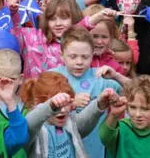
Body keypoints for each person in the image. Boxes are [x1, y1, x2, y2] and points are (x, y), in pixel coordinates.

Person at [50, 26, 125, 158]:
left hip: (94, 151)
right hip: (60, 152)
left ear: (93, 54)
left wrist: (116, 76)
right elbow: (38, 109)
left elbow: (136, 91)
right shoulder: (52, 77)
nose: (79, 62)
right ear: (61, 55)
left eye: (85, 57)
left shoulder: (100, 77)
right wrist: (71, 102)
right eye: (73, 56)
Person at [21, 71, 117, 157]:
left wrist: (100, 102)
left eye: (65, 103)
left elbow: (85, 121)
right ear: (38, 103)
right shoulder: (34, 130)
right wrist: (51, 106)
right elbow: (31, 121)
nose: (62, 110)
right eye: (58, 105)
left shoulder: (69, 122)